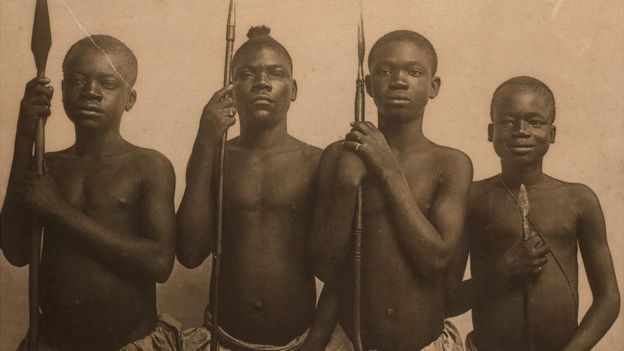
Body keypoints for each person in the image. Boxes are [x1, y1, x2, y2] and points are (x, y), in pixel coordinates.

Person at [177, 26, 351, 351]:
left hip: (301, 342)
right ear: (230, 90)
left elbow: (335, 269)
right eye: (246, 73)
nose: (261, 82)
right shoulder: (216, 157)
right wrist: (205, 140)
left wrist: (313, 345)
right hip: (222, 339)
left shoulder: (317, 161)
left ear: (294, 89)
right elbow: (189, 253)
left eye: (276, 73)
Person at [1, 35, 180, 350]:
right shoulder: (47, 164)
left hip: (128, 342)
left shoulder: (149, 166)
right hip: (54, 343)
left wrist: (60, 212)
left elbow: (160, 262)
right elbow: (15, 253)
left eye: (108, 83)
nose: (91, 92)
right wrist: (24, 137)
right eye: (78, 80)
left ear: (130, 98)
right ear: (62, 90)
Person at [308, 30, 472, 351]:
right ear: (368, 87)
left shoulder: (451, 164)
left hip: (424, 343)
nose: (398, 81)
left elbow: (435, 259)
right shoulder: (338, 157)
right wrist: (345, 185)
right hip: (352, 341)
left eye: (413, 71)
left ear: (433, 86)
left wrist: (386, 169)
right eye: (385, 71)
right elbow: (324, 266)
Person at [446, 76, 620, 351]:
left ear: (551, 133)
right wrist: (504, 269)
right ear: (491, 131)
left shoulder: (578, 199)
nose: (521, 131)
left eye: (535, 122)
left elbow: (609, 299)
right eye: (508, 122)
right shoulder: (471, 198)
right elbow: (448, 300)